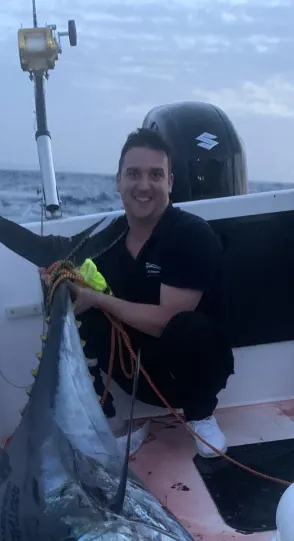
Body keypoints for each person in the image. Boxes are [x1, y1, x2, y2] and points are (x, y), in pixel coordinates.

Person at [66, 127, 234, 457]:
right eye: (133, 174)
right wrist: (59, 279)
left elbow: (166, 320)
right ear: (118, 181)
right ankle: (104, 415)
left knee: (187, 326)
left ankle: (201, 417)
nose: (143, 185)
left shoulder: (192, 235)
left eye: (155, 175)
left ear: (170, 183)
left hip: (189, 380)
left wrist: (99, 298)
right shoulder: (106, 241)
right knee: (74, 300)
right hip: (134, 378)